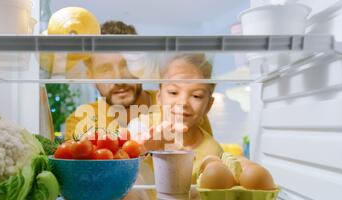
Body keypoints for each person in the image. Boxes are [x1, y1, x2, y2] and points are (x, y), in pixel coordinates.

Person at [64, 21, 213, 141]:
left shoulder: (179, 106)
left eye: (127, 65)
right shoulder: (80, 121)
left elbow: (203, 164)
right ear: (90, 75)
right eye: (105, 69)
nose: (119, 79)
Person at [129, 53, 224, 184]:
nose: (183, 102)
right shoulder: (142, 125)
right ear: (159, 98)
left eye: (196, 96)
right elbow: (124, 158)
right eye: (173, 92)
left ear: (208, 105)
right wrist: (143, 149)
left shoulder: (212, 151)